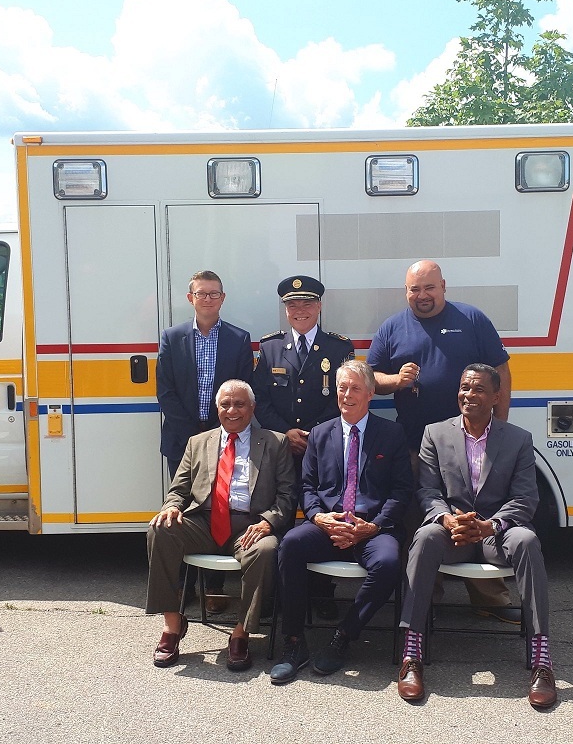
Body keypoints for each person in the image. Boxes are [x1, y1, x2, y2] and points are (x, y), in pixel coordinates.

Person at [396, 364, 555, 709]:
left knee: (527, 541)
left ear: (496, 397)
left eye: (479, 389)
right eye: (465, 387)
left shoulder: (517, 439)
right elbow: (427, 490)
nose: (469, 395)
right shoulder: (435, 434)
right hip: (452, 533)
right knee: (423, 539)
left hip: (496, 536)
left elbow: (526, 498)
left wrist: (492, 525)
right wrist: (446, 518)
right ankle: (412, 654)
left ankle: (541, 659)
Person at [368, 259, 514, 616]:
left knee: (477, 512)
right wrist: (397, 380)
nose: (422, 296)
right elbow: (371, 380)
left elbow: (501, 372)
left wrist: (500, 427)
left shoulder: (471, 319)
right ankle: (425, 598)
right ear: (406, 292)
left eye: (429, 287)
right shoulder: (392, 327)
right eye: (414, 289)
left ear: (443, 286)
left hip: (470, 440)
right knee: (421, 518)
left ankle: (489, 601)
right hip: (416, 444)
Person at [270, 360, 412, 685]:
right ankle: (293, 643)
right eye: (342, 388)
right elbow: (306, 486)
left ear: (371, 393)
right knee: (289, 545)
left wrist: (373, 526)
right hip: (328, 523)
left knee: (389, 562)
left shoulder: (390, 434)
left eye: (355, 388)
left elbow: (402, 490)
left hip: (371, 527)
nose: (347, 395)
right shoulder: (321, 434)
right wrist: (318, 516)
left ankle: (344, 635)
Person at [146, 380, 295, 672]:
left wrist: (268, 521)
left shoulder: (275, 442)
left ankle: (240, 633)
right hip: (204, 522)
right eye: (226, 404)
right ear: (217, 409)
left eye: (240, 404)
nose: (232, 410)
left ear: (252, 408)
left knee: (266, 550)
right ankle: (173, 626)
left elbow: (288, 496)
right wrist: (173, 507)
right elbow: (179, 489)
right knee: (159, 529)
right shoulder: (198, 442)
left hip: (249, 526)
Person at [252, 274, 355, 618]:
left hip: (323, 448)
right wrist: (286, 433)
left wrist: (313, 434)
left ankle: (322, 591)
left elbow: (342, 399)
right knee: (277, 515)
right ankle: (276, 591)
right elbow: (260, 400)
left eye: (307, 303)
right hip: (281, 449)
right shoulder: (269, 347)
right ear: (285, 310)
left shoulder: (339, 348)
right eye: (292, 304)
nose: (299, 309)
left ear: (320, 306)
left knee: (323, 513)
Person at [156, 270, 254, 611]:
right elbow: (165, 392)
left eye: (214, 294)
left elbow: (241, 394)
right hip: (182, 440)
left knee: (218, 507)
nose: (208, 299)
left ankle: (213, 586)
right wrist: (195, 437)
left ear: (223, 299)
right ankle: (184, 586)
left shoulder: (239, 339)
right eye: (202, 294)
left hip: (223, 439)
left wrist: (216, 433)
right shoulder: (172, 337)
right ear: (191, 298)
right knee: (181, 509)